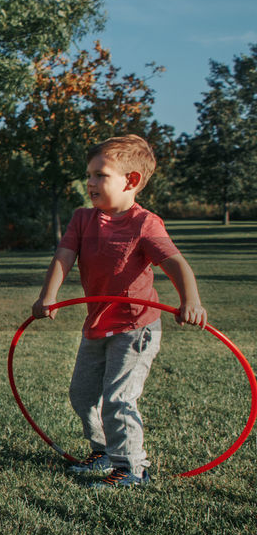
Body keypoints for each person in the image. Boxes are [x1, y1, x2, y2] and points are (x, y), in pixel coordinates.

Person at [32, 134, 206, 488]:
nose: (90, 182)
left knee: (118, 398)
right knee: (81, 395)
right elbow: (64, 257)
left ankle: (132, 467)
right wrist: (47, 296)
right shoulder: (82, 219)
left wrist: (191, 300)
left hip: (135, 327)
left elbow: (174, 262)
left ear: (132, 181)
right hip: (97, 323)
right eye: (89, 175)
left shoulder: (144, 224)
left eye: (100, 175)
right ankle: (105, 450)